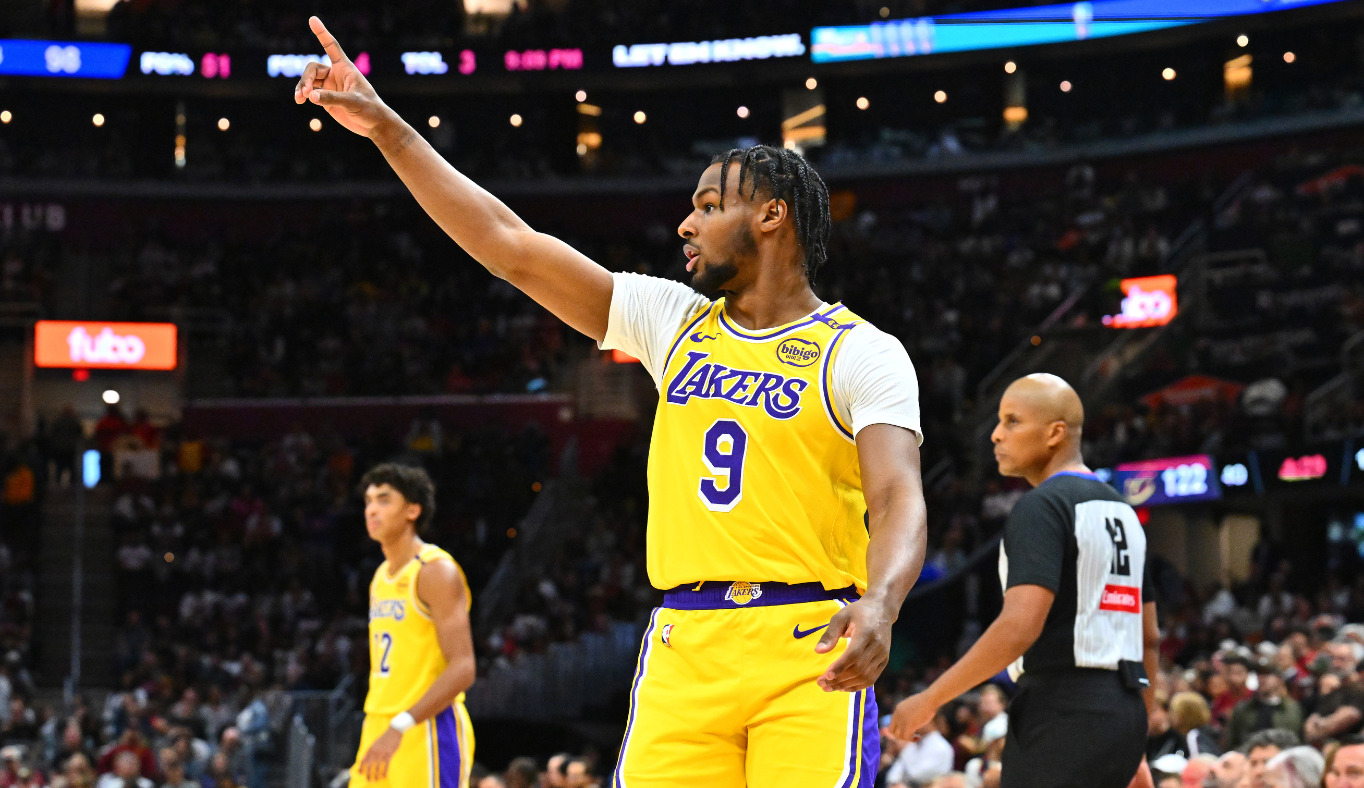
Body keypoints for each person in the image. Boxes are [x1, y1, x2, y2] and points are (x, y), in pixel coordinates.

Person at [295, 18, 927, 788]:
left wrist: (885, 602)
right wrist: (388, 130)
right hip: (683, 642)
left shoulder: (861, 350)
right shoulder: (674, 320)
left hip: (809, 639)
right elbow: (510, 245)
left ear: (771, 215)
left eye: (706, 205)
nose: (684, 223)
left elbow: (897, 496)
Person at [888, 374, 1150, 788]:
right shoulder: (1124, 512)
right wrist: (1138, 744)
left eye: (1012, 422)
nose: (995, 435)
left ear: (1055, 433)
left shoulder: (1041, 506)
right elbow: (1148, 638)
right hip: (1124, 710)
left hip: (1063, 711)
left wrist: (930, 699)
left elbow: (1019, 627)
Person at [350, 464, 475, 788]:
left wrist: (401, 725)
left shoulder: (436, 571)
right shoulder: (380, 577)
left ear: (412, 510)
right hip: (379, 723)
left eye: (384, 499)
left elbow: (463, 667)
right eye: (368, 501)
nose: (372, 509)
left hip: (426, 726)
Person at [1228, 673, 1303, 750]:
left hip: (1281, 756)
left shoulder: (1292, 709)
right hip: (1248, 755)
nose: (1262, 679)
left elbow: (1298, 739)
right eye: (1260, 674)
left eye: (1268, 674)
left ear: (1279, 679)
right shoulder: (1244, 708)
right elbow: (1232, 739)